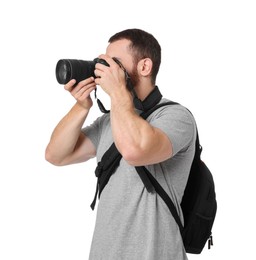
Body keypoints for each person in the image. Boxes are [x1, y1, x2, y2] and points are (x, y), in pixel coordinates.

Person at [45, 28, 196, 260]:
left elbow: (135, 151)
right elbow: (56, 155)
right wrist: (82, 106)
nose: (106, 70)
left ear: (145, 67)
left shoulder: (176, 117)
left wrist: (117, 94)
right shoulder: (110, 121)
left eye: (114, 63)